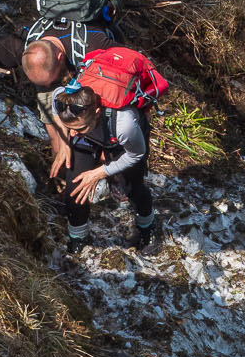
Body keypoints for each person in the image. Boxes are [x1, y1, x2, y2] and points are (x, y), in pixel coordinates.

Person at [53, 82, 162, 251]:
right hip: (90, 137)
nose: (73, 133)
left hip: (121, 142)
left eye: (78, 128)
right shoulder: (62, 99)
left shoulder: (124, 123)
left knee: (131, 187)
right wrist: (64, 141)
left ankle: (148, 227)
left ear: (96, 113)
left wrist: (100, 172)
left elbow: (136, 154)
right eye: (70, 128)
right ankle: (78, 236)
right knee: (75, 186)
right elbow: (55, 105)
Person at [21, 30, 112, 182]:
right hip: (62, 79)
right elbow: (54, 101)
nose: (74, 133)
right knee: (60, 139)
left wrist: (103, 169)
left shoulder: (93, 42)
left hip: (95, 79)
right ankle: (61, 177)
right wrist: (63, 142)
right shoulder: (22, 42)